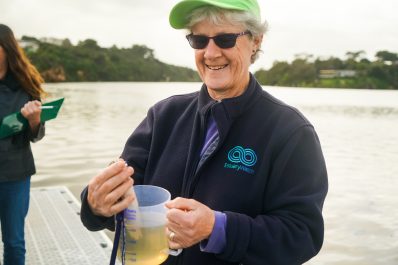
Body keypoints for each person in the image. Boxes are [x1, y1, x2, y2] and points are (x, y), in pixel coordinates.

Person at [80, 0, 328, 264]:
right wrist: (96, 203)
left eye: (225, 39)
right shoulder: (164, 115)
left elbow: (303, 234)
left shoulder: (291, 131)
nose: (210, 53)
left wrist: (216, 228)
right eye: (199, 40)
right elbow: (124, 193)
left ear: (255, 41)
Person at [0, 24, 46, 265]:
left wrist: (34, 120)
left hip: (15, 174)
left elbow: (37, 136)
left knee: (14, 241)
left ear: (6, 49)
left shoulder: (26, 87)